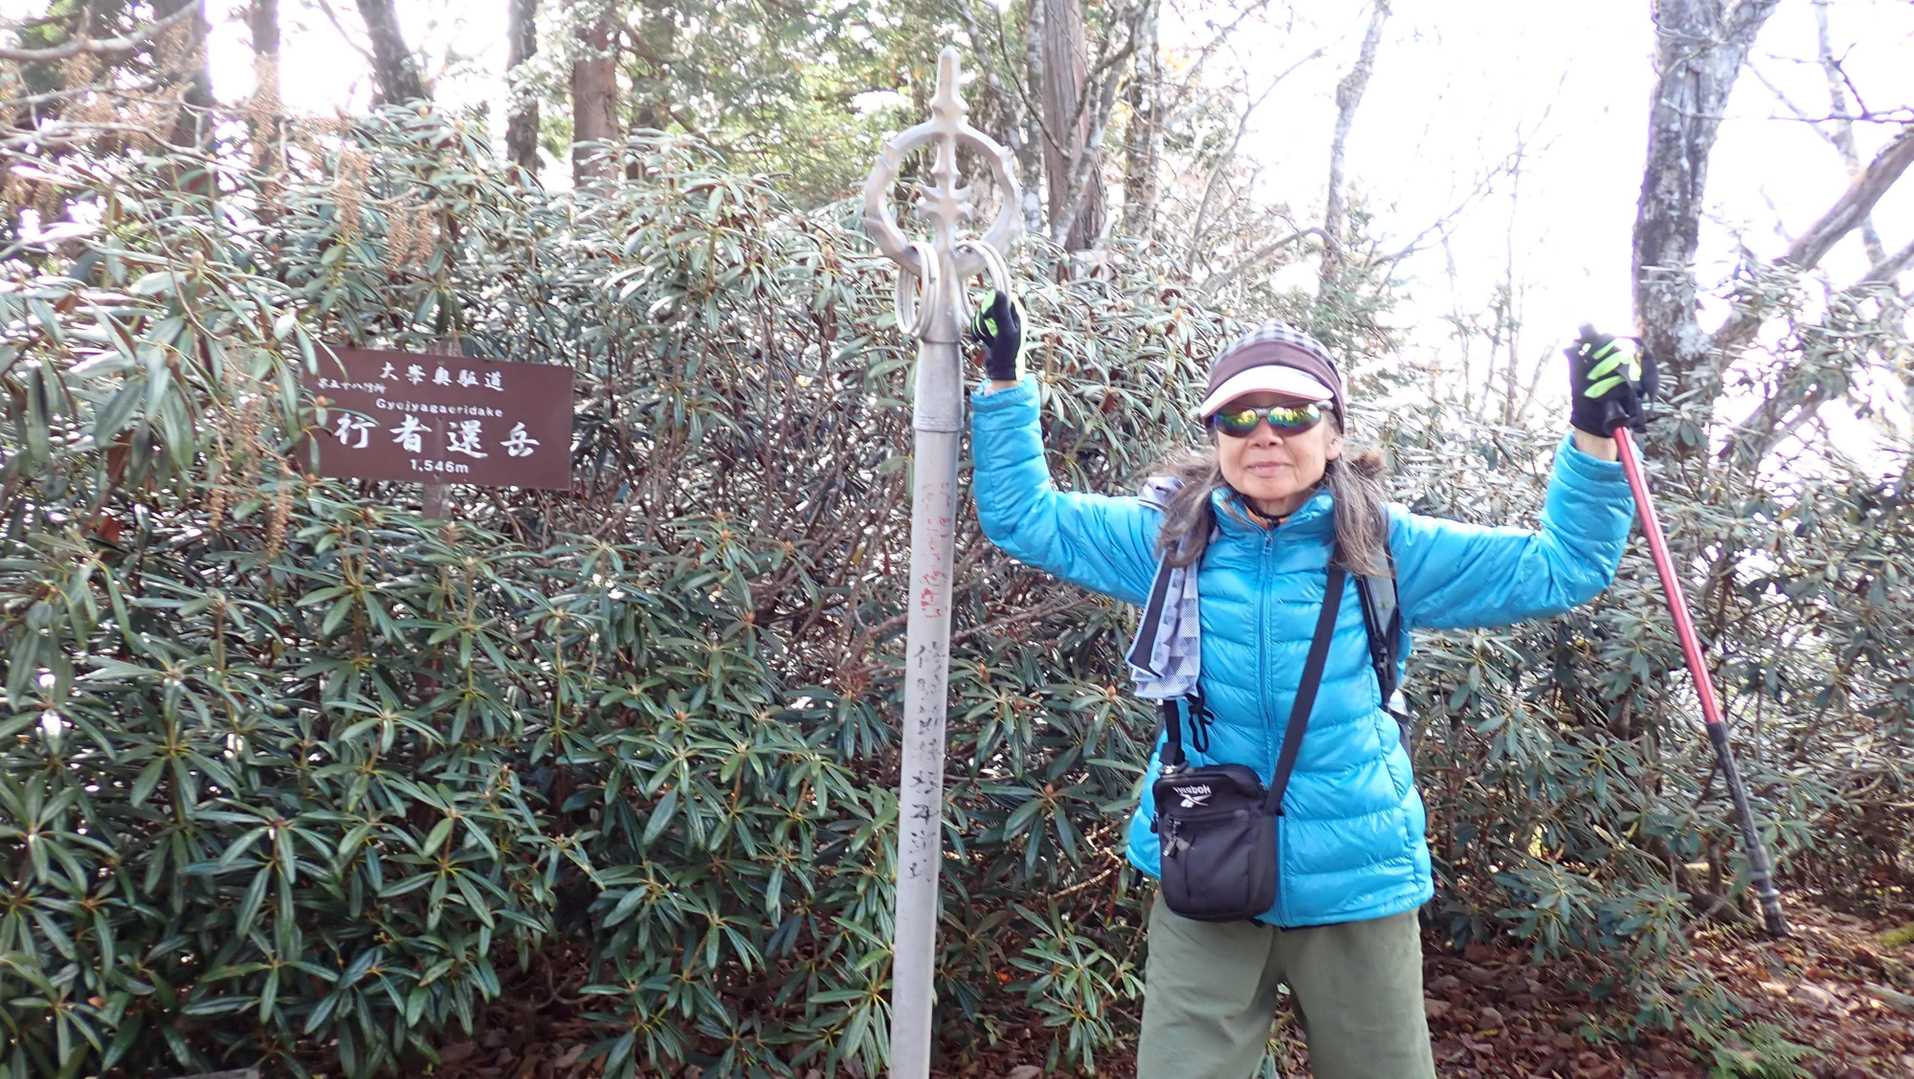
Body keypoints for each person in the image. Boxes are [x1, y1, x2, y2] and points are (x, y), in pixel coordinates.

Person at [964, 292, 1651, 1078]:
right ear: (1214, 436)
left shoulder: (1385, 545)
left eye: (1292, 413)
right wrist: (1003, 377)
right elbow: (1022, 517)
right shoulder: (1168, 540)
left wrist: (1592, 434)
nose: (1265, 433)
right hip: (1206, 870)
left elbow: (1563, 566)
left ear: (1334, 432)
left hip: (1356, 879)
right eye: (1239, 416)